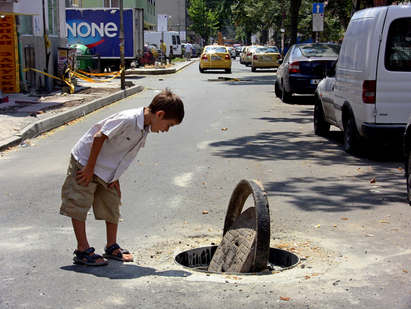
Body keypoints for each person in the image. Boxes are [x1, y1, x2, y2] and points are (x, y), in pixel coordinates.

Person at [60, 88, 185, 266]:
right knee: (80, 202)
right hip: (86, 162)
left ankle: (111, 246)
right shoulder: (128, 119)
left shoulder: (144, 128)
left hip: (107, 170)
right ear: (160, 114)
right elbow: (98, 137)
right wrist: (89, 167)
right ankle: (82, 249)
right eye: (169, 125)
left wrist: (115, 176)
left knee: (112, 202)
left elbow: (121, 154)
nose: (166, 130)